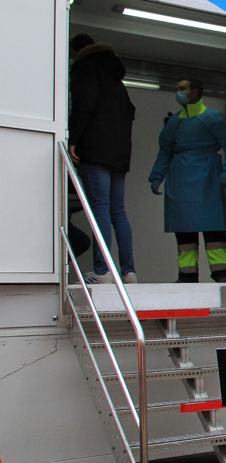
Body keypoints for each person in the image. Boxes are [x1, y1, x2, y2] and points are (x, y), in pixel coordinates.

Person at [68, 34, 137, 285]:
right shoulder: (116, 78)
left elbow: (83, 105)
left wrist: (74, 138)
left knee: (100, 209)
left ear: (77, 51)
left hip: (95, 150)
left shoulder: (84, 68)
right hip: (119, 152)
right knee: (118, 210)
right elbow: (129, 112)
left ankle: (102, 271)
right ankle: (129, 271)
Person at [149, 79, 226, 282]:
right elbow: (165, 151)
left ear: (196, 91)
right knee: (184, 230)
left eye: (183, 89)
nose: (179, 93)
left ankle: (222, 273)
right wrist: (157, 176)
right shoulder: (175, 123)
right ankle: (187, 276)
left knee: (214, 230)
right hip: (179, 180)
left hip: (208, 179)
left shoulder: (213, 118)